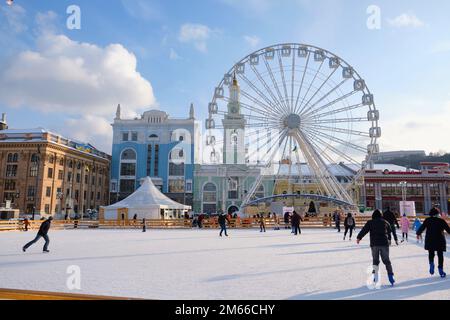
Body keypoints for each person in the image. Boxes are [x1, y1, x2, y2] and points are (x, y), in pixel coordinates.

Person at [356, 210, 395, 286]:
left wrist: (359, 237)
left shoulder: (370, 222)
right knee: (387, 261)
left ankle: (375, 276)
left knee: (375, 261)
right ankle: (391, 277)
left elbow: (364, 230)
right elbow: (390, 230)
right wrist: (389, 238)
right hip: (384, 244)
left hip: (374, 245)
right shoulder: (385, 222)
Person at [416, 208, 450, 278]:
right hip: (439, 240)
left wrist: (418, 233)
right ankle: (440, 269)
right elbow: (448, 230)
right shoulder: (441, 221)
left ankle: (431, 263)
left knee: (431, 253)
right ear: (437, 214)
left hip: (430, 240)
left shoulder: (427, 220)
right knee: (440, 255)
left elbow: (421, 228)